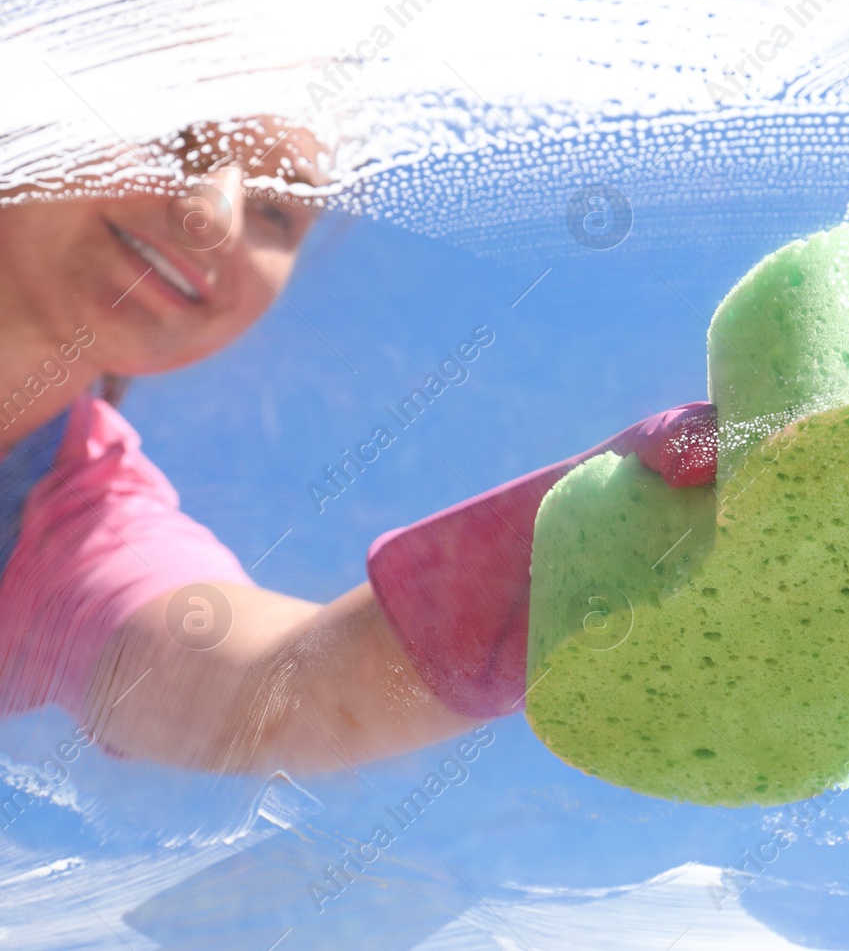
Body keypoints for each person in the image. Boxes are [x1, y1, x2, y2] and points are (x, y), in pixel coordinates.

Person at [0, 117, 716, 773]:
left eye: (276, 210)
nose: (213, 217)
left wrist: (591, 539)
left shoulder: (70, 529)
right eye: (172, 138)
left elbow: (277, 693)